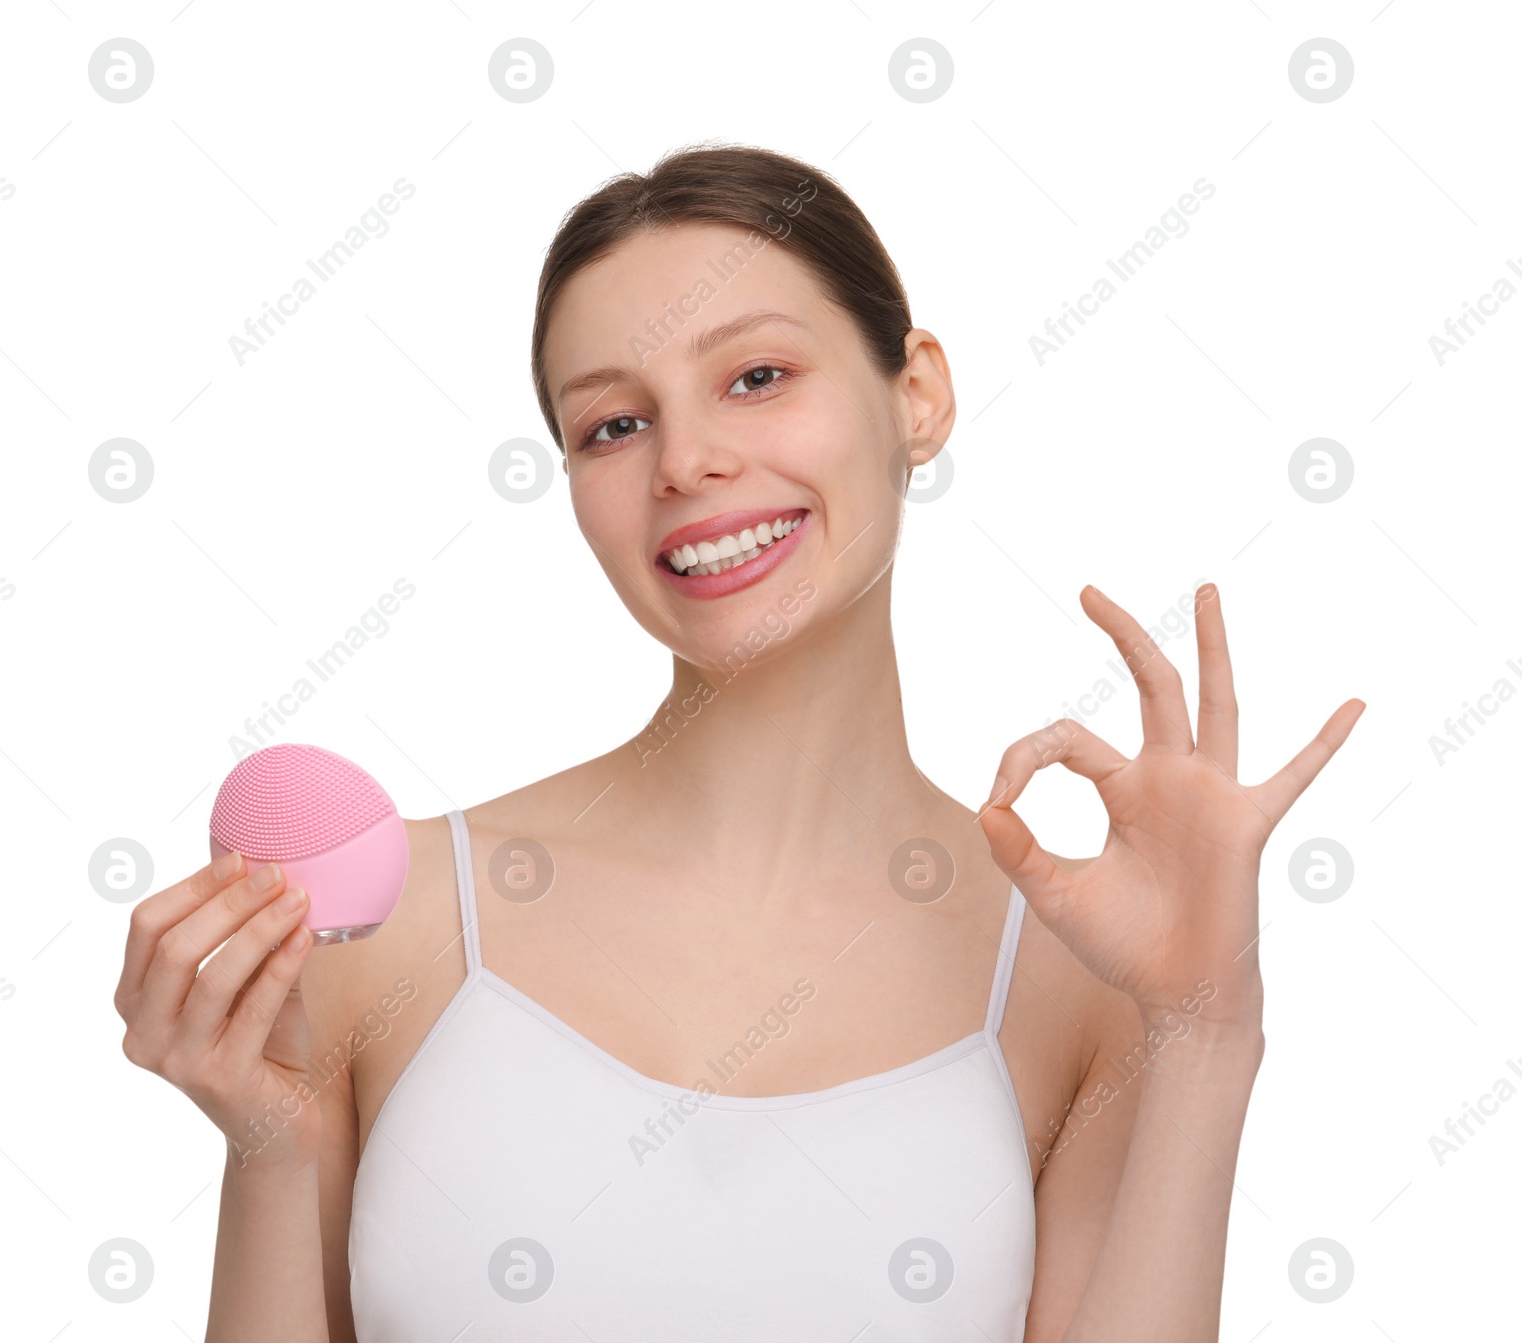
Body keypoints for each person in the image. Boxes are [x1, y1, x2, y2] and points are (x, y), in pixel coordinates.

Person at [114, 142, 1364, 1342]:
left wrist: (1202, 1033)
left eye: (756, 377)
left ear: (914, 393)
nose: (690, 462)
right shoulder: (398, 922)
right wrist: (269, 1146)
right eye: (612, 425)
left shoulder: (1074, 972)